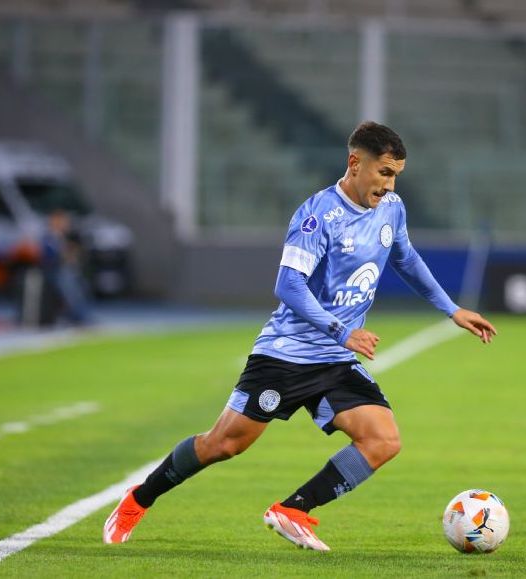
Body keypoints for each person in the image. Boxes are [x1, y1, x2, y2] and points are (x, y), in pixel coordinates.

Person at [103, 121, 497, 550]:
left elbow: (406, 258)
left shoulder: (392, 208)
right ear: (354, 163)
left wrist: (452, 309)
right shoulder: (317, 215)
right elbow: (289, 286)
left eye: (396, 174)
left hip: (335, 359)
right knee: (224, 444)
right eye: (384, 172)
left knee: (383, 440)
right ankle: (137, 500)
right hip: (286, 354)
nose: (390, 184)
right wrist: (341, 330)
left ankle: (293, 509)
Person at [40, 209, 91, 326]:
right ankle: (80, 317)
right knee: (67, 281)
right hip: (51, 271)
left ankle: (77, 314)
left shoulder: (66, 237)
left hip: (66, 271)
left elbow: (75, 255)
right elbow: (48, 256)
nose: (65, 224)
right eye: (62, 221)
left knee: (81, 282)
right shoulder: (47, 236)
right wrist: (63, 255)